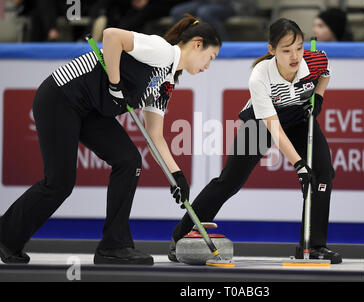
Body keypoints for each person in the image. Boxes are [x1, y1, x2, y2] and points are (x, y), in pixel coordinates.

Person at [0, 14, 221, 265]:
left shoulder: (166, 82)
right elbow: (111, 36)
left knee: (128, 160)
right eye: (210, 58)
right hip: (61, 97)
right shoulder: (161, 51)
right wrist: (115, 84)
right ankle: (6, 236)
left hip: (90, 110)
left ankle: (114, 246)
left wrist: (176, 175)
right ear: (197, 44)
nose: (207, 66)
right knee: (59, 182)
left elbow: (155, 135)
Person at [169, 18, 342, 264]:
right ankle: (180, 237)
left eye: (299, 48)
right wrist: (299, 165)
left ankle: (313, 246)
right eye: (286, 50)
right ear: (271, 50)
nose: (295, 56)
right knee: (229, 182)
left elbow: (325, 73)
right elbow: (273, 127)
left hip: (300, 118)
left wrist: (319, 98)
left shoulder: (315, 60)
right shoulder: (260, 76)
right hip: (262, 122)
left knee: (323, 174)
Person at [170, 0, 237, 41]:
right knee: (177, 12)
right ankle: (185, 43)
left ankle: (221, 44)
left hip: (227, 4)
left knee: (205, 12)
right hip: (203, 2)